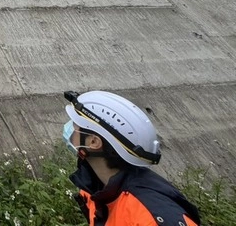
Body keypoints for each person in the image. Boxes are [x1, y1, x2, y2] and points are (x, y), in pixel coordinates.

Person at [62, 90, 201, 226]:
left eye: (75, 127)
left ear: (94, 142)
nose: (69, 130)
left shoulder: (152, 214)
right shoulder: (97, 189)